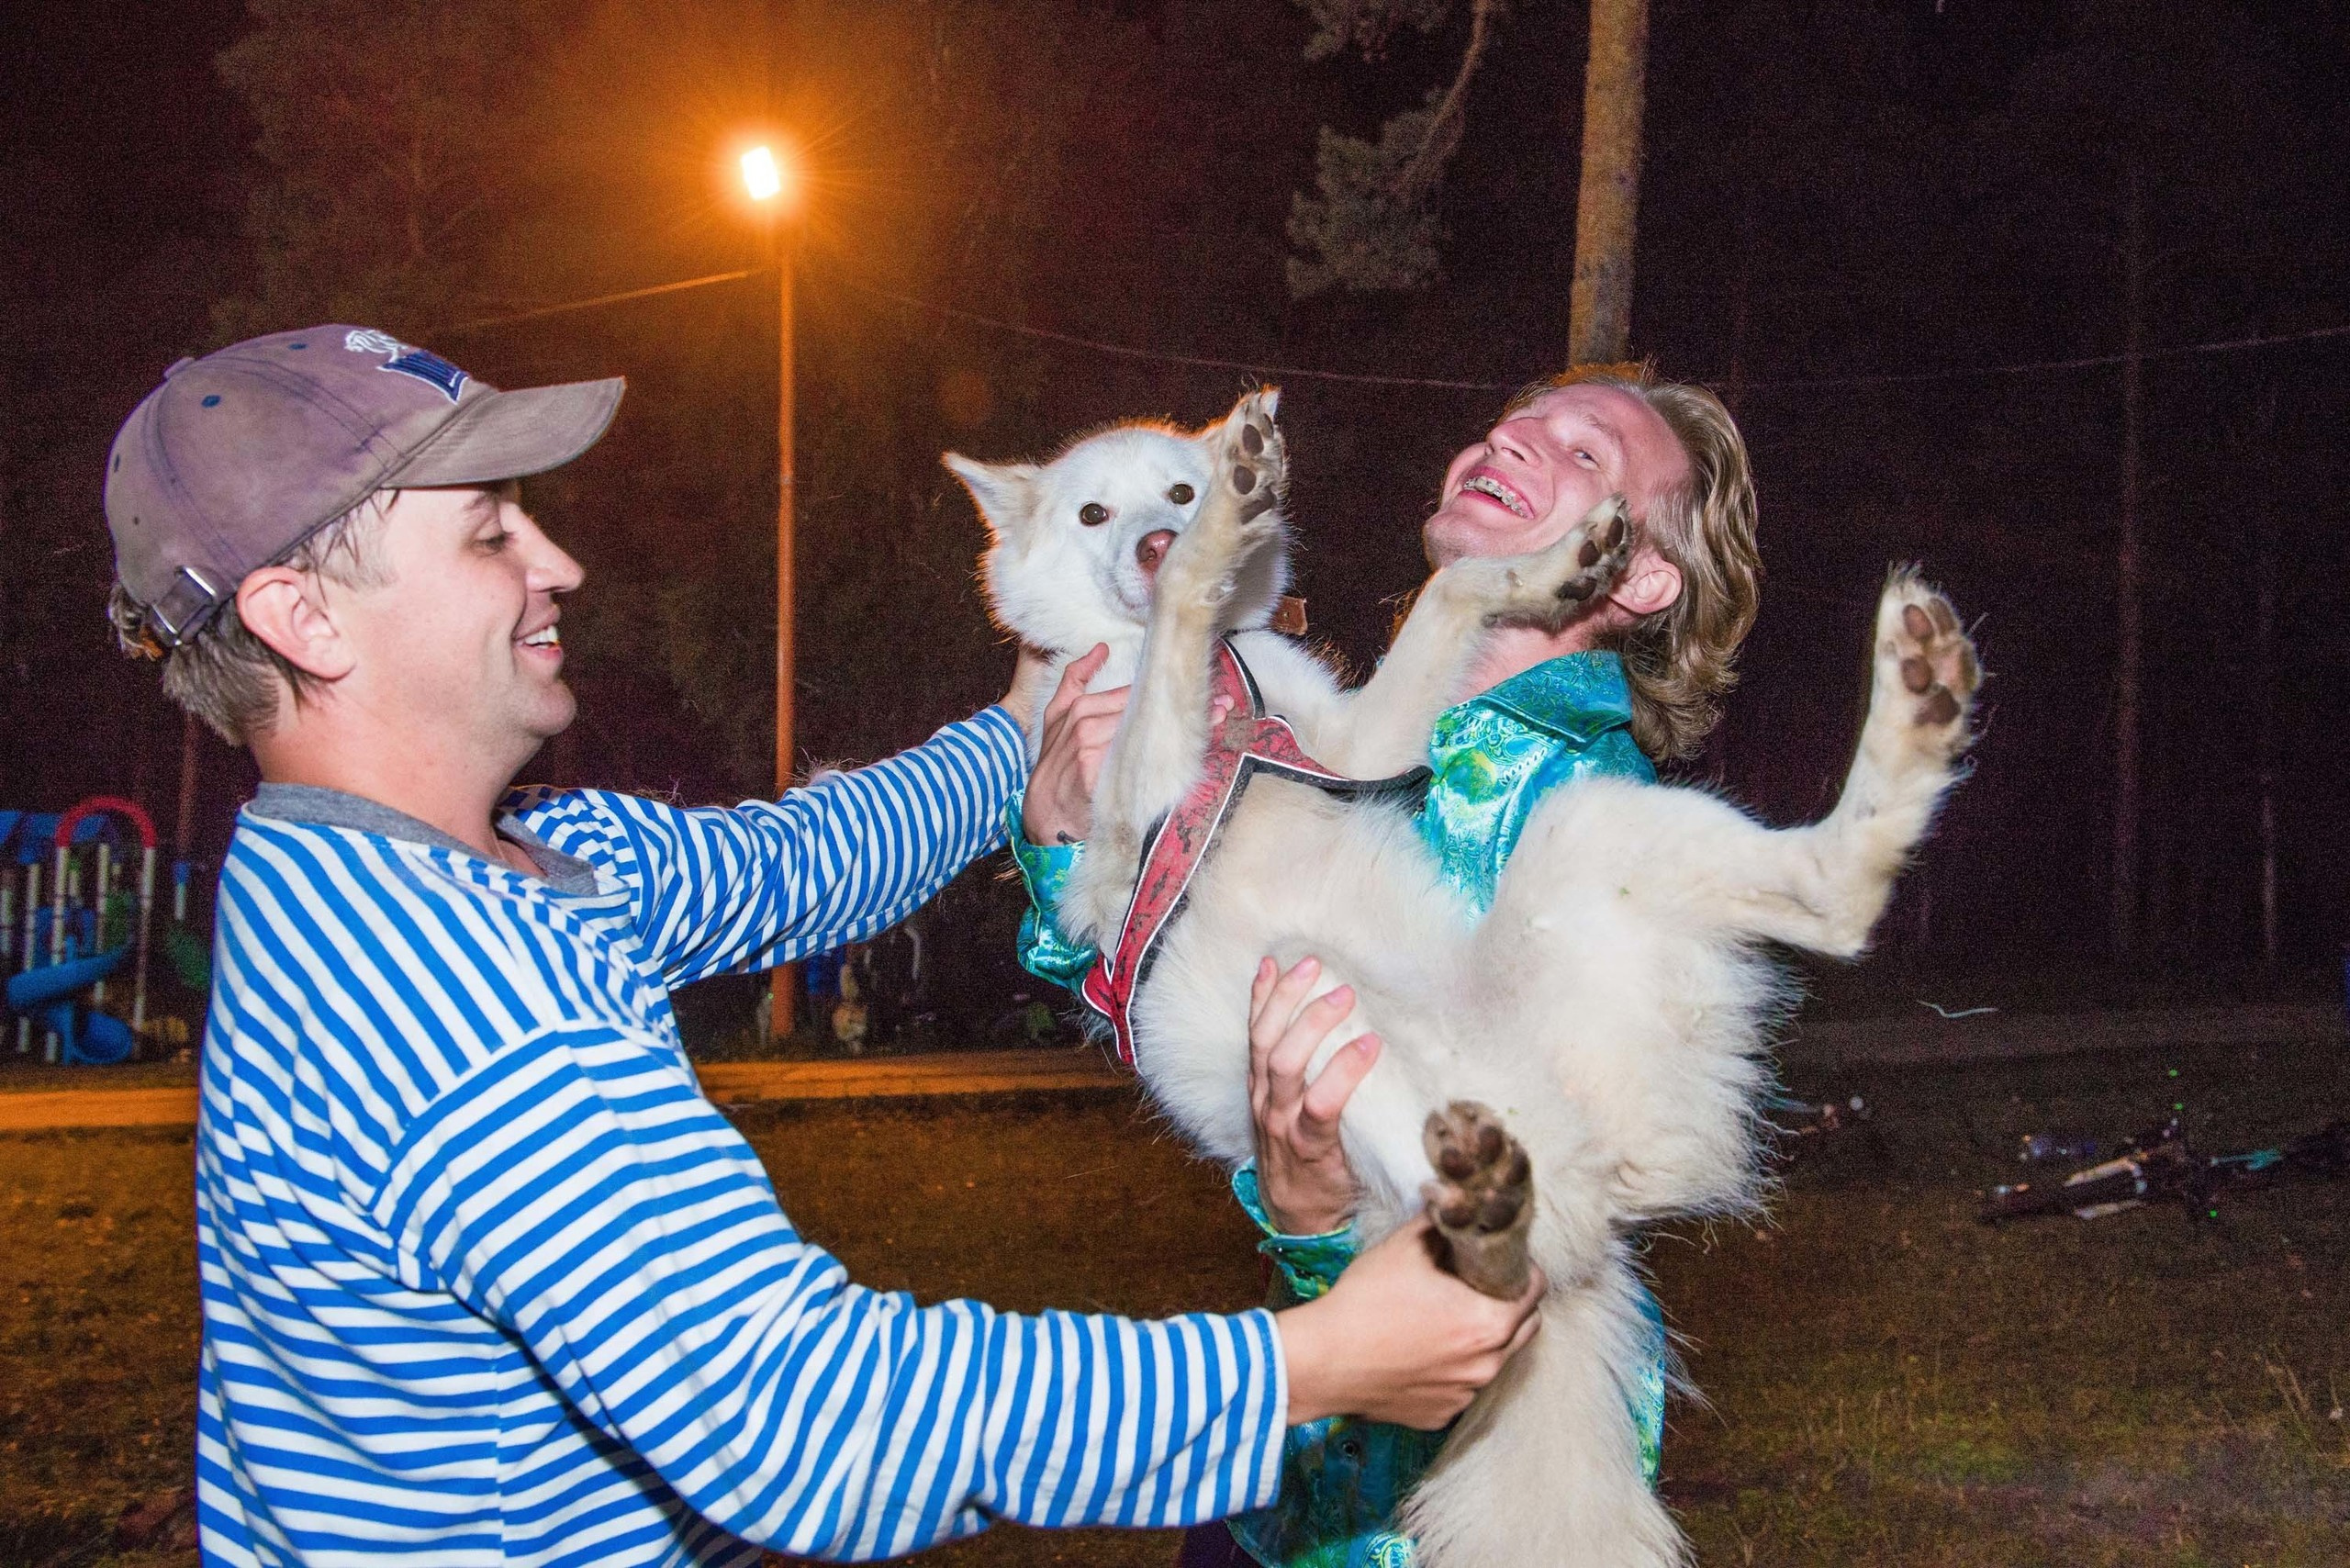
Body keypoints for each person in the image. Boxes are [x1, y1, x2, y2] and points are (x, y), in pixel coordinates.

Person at [100, 326, 1545, 1567]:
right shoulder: (440, 996)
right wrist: (1308, 1367)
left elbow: (805, 861)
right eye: (488, 534)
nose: (561, 562)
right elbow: (802, 1415)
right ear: (303, 616)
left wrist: (1046, 701)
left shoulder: (494, 864)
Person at [1013, 364, 1762, 1568]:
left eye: (1584, 458)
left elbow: (1546, 1212)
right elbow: (1171, 991)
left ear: (1640, 575)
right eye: (1509, 426)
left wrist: (1306, 1206)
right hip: (1288, 1465)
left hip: (1428, 1507)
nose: (1514, 445)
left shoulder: (1588, 811)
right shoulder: (1356, 735)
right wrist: (1060, 834)